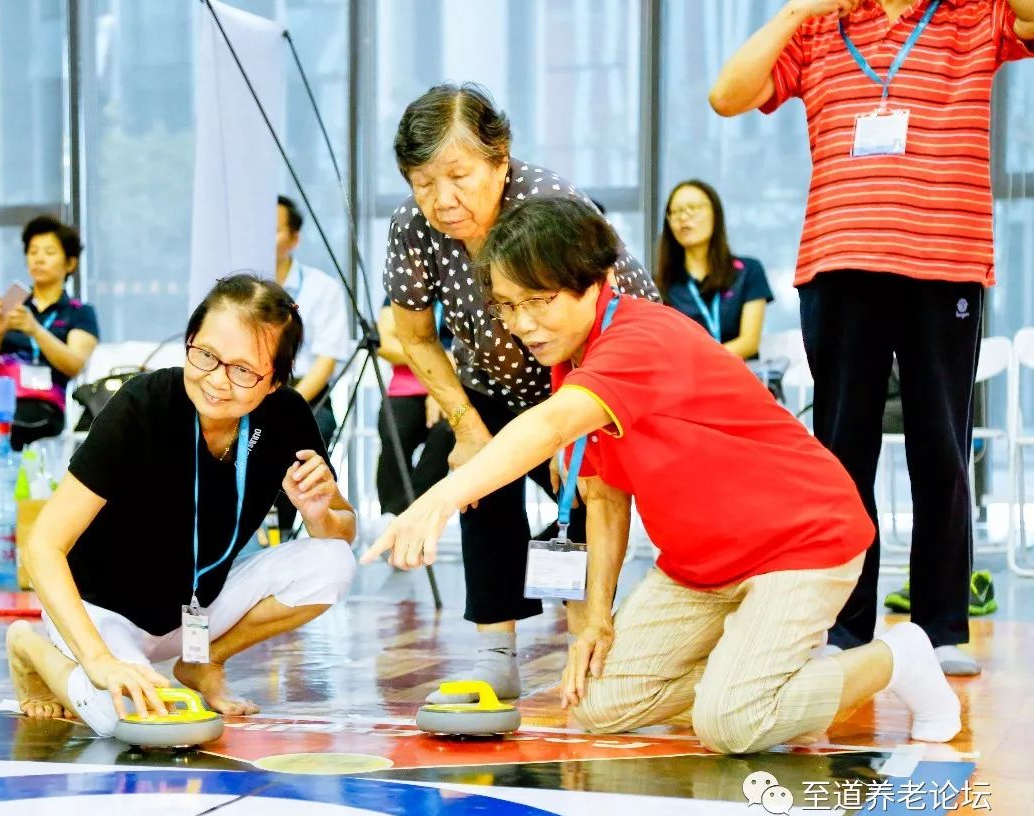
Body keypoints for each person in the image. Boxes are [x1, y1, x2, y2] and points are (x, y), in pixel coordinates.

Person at [365, 197, 961, 753]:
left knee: (733, 723)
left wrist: (437, 501)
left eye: (539, 301)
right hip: (701, 566)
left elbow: (546, 429)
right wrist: (595, 617)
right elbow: (604, 497)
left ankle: (897, 657)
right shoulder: (571, 357)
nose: (522, 324)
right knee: (598, 703)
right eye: (508, 306)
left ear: (593, 284)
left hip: (800, 543)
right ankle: (751, 672)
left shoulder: (639, 338)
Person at [709, 0, 1033, 675]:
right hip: (838, 265)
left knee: (941, 453)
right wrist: (798, 10)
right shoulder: (820, 29)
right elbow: (725, 95)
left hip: (943, 267)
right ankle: (845, 625)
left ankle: (941, 629)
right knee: (840, 455)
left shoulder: (974, 16)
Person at [383, 82, 659, 704]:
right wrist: (467, 428)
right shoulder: (413, 227)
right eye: (422, 182)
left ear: (499, 160)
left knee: (590, 491)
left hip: (596, 374)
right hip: (496, 382)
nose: (441, 200)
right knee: (476, 477)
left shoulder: (547, 207)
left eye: (457, 176)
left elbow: (595, 321)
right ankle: (495, 656)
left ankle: (587, 646)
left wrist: (568, 422)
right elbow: (417, 337)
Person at [5, 274, 357, 730]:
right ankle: (30, 646)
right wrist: (97, 660)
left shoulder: (287, 414)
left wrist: (319, 513)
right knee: (134, 717)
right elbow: (42, 547)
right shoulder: (141, 407)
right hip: (101, 612)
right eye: (206, 355)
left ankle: (202, 663)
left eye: (243, 370)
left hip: (197, 606)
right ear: (190, 341)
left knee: (333, 562)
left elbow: (341, 532)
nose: (217, 381)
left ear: (275, 381)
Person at [0, 215, 99, 472]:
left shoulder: (80, 312)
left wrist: (35, 330)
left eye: (49, 252)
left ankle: (18, 503)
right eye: (32, 252)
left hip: (43, 401)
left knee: (14, 429)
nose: (38, 259)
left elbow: (74, 365)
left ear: (70, 263)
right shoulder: (10, 303)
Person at [655, 180, 774, 359]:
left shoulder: (749, 271)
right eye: (676, 211)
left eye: (693, 207)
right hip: (687, 381)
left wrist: (705, 362)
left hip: (739, 377)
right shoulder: (660, 285)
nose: (684, 217)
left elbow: (749, 342)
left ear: (715, 214)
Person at [276, 195, 352, 446]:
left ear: (294, 239)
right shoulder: (236, 290)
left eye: (273, 230)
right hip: (248, 388)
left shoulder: (323, 288)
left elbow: (325, 362)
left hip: (304, 392)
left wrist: (286, 404)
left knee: (316, 427)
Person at [375, 301, 454, 519]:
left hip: (455, 391)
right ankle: (393, 516)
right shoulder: (407, 282)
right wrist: (442, 360)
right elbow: (384, 343)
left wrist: (440, 384)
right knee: (394, 435)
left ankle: (405, 517)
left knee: (446, 432)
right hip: (405, 389)